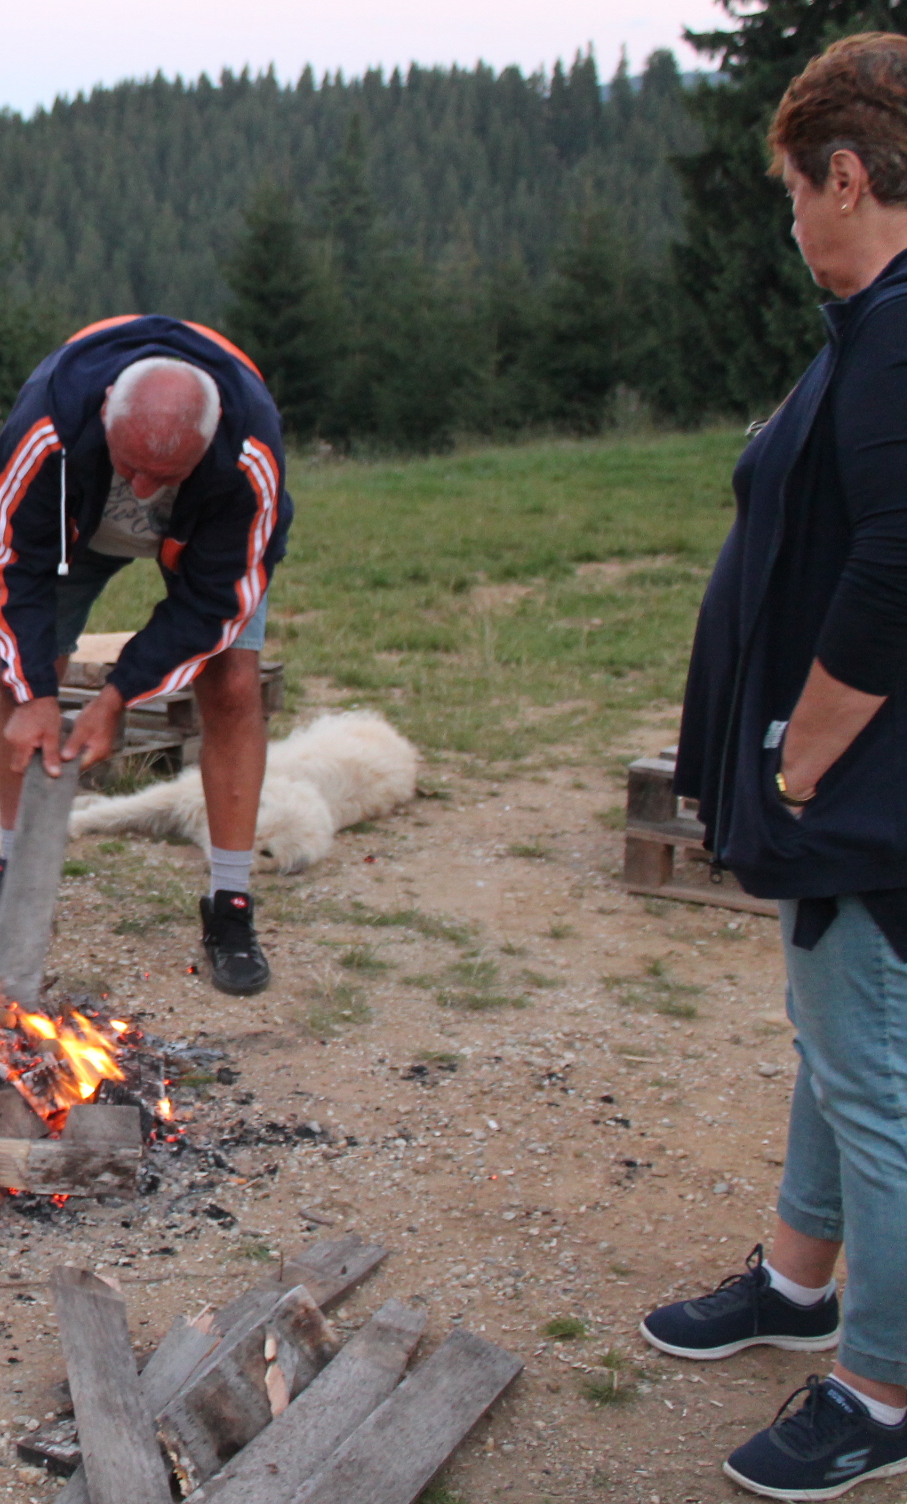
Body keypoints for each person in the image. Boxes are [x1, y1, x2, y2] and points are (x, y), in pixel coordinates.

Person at [640, 33, 907, 1500]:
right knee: (839, 1035)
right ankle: (801, 1281)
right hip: (858, 798)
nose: (793, 222)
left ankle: (877, 1387)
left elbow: (897, 558)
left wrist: (803, 753)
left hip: (867, 794)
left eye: (798, 192)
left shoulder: (903, 326)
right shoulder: (875, 327)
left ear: (847, 176)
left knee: (876, 1082)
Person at [0, 315, 291, 995]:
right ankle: (12, 874)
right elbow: (16, 568)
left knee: (236, 683)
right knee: (22, 679)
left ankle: (230, 904)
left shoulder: (248, 457)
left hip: (206, 531)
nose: (149, 492)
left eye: (168, 476)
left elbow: (215, 602)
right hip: (78, 519)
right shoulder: (49, 429)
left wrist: (116, 696)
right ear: (104, 418)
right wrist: (38, 693)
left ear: (207, 444)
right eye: (135, 469)